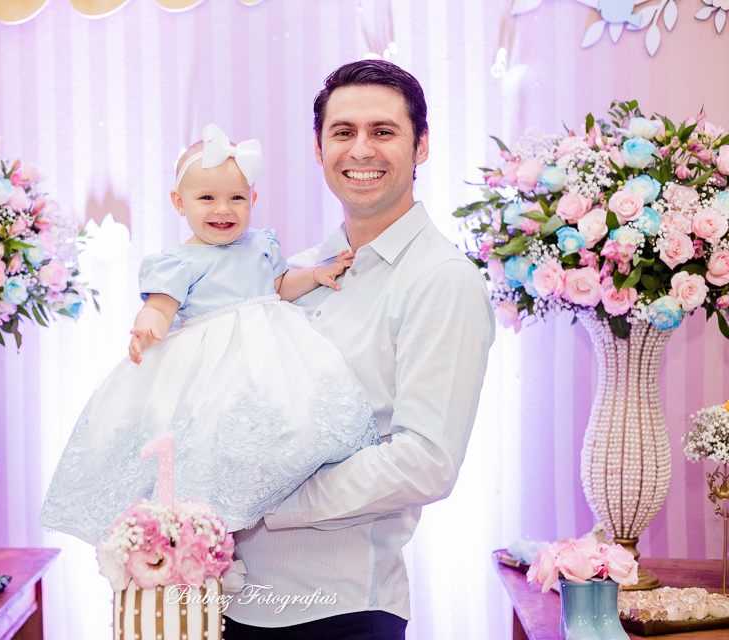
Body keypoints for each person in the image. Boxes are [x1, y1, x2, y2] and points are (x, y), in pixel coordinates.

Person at [221, 60, 495, 639]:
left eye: (384, 131)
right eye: (343, 132)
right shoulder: (289, 273)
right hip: (235, 601)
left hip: (343, 614)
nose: (360, 150)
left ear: (421, 146)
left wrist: (272, 502)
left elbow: (425, 460)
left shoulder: (443, 279)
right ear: (319, 149)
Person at [39, 124, 379, 545]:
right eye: (207, 198)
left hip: (273, 352)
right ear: (179, 203)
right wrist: (149, 325)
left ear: (252, 200)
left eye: (236, 197)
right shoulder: (178, 261)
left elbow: (277, 287)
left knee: (287, 416)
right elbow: (162, 305)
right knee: (212, 437)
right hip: (215, 362)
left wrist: (314, 275)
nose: (224, 209)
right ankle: (214, 540)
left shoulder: (260, 245)